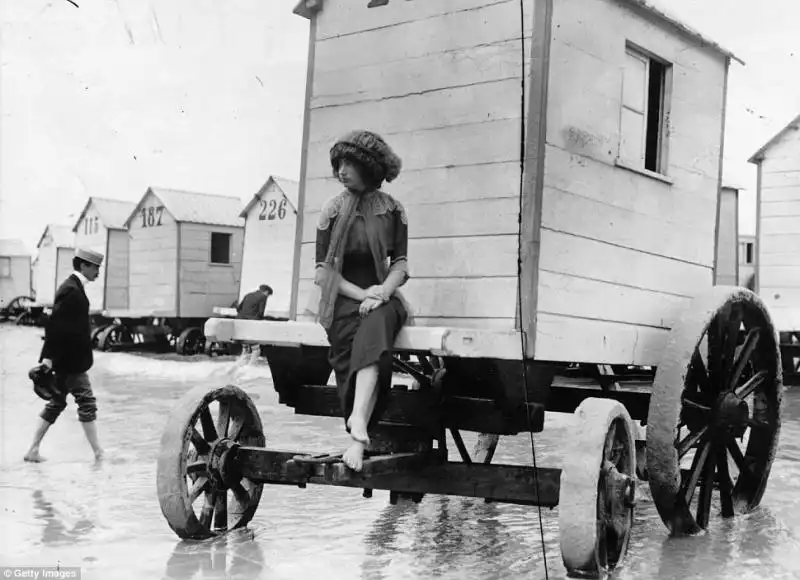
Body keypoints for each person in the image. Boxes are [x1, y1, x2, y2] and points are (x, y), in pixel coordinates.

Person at [314, 130, 411, 472]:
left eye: (350, 164)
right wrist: (362, 294)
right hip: (344, 297)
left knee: (377, 327)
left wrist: (382, 291)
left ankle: (357, 429)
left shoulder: (393, 210)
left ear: (369, 168)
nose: (341, 170)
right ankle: (357, 429)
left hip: (384, 295)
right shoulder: (332, 209)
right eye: (338, 163)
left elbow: (400, 264)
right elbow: (323, 274)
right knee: (348, 349)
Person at [24, 248, 105, 463]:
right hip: (70, 363)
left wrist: (50, 359)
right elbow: (56, 327)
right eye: (96, 267)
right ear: (84, 265)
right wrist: (49, 359)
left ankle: (32, 450)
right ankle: (99, 454)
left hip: (66, 360)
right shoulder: (71, 290)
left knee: (57, 402)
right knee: (86, 402)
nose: (98, 271)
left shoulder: (73, 288)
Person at [236, 284, 273, 363]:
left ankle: (240, 364)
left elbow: (239, 308)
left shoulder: (248, 295)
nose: (268, 297)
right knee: (256, 349)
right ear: (266, 292)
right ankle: (251, 367)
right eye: (268, 295)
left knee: (245, 347)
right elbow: (260, 312)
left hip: (241, 322)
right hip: (251, 323)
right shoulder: (263, 297)